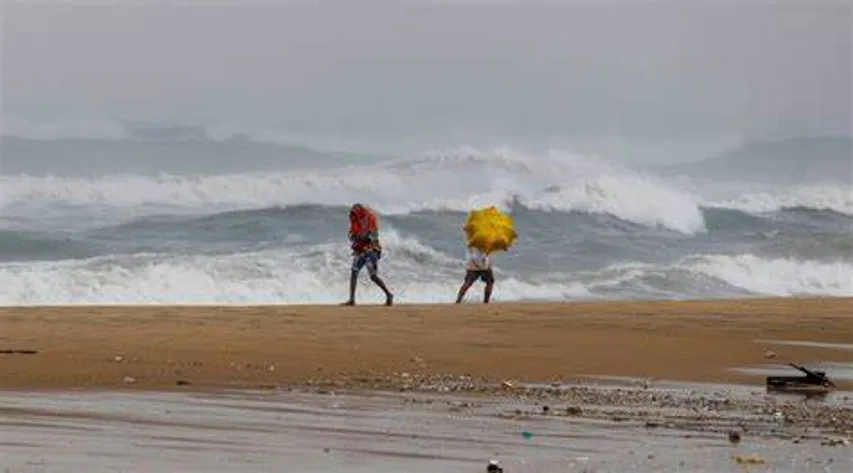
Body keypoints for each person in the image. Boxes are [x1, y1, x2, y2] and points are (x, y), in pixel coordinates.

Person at [342, 203, 394, 306]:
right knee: (354, 272)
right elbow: (352, 234)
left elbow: (373, 236)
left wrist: (360, 238)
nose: (353, 216)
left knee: (373, 276)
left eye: (355, 213)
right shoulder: (354, 220)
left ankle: (389, 294)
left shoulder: (370, 218)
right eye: (352, 214)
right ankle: (352, 299)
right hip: (360, 250)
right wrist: (355, 238)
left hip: (371, 250)